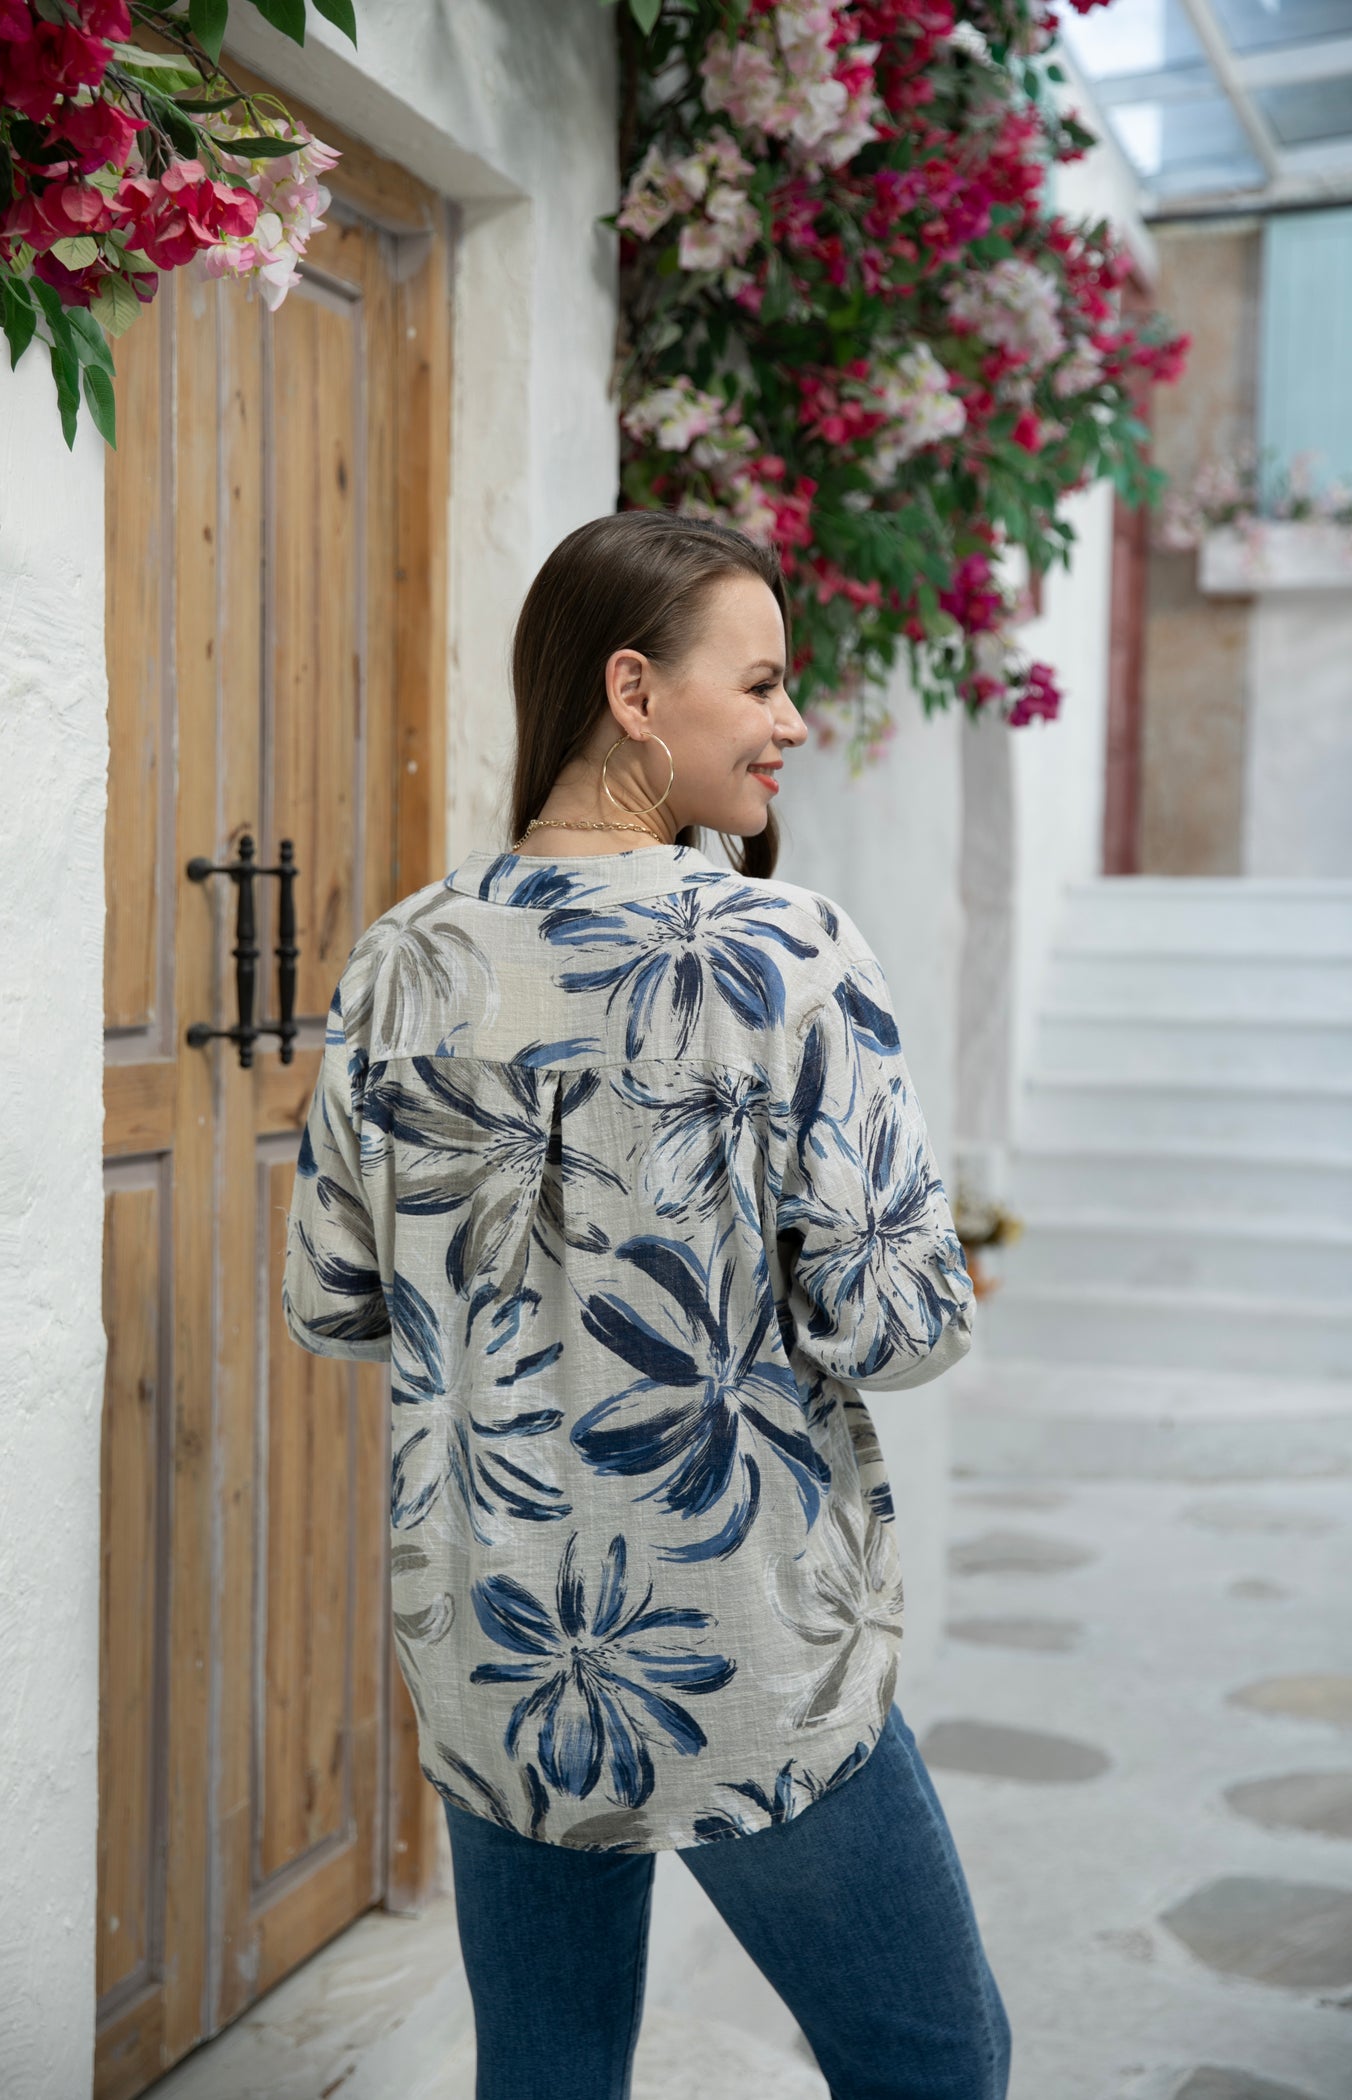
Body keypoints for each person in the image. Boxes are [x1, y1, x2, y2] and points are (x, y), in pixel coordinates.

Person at [282, 511, 1010, 2100]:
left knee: (547, 2068)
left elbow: (332, 1296)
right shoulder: (787, 951)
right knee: (938, 2060)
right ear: (632, 691)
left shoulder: (401, 958)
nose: (791, 721)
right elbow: (899, 1327)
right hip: (745, 1636)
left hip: (499, 1632)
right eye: (759, 684)